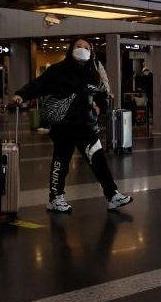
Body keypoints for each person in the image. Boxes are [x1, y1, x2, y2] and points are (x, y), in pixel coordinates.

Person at [13, 39, 132, 213]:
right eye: (79, 47)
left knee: (98, 161)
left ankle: (112, 195)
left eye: (86, 48)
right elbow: (38, 85)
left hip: (87, 127)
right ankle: (55, 198)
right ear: (71, 50)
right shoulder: (57, 70)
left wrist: (100, 107)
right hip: (64, 127)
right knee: (61, 163)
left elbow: (102, 93)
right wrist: (21, 95)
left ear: (91, 52)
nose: (82, 50)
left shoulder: (94, 72)